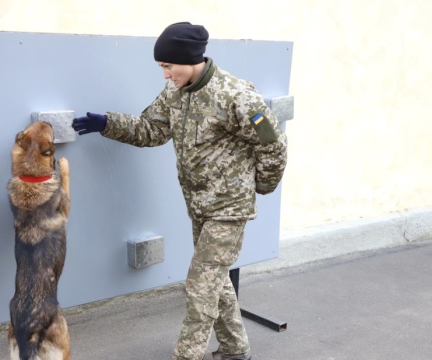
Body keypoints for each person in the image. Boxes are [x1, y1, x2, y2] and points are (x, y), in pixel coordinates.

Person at [72, 22, 287, 360]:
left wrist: (261, 185)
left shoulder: (236, 95)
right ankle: (235, 348)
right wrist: (108, 124)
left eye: (168, 66)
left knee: (200, 284)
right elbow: (151, 130)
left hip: (229, 208)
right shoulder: (174, 93)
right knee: (213, 280)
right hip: (198, 204)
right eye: (162, 67)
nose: (165, 74)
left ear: (190, 60)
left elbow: (273, 143)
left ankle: (187, 354)